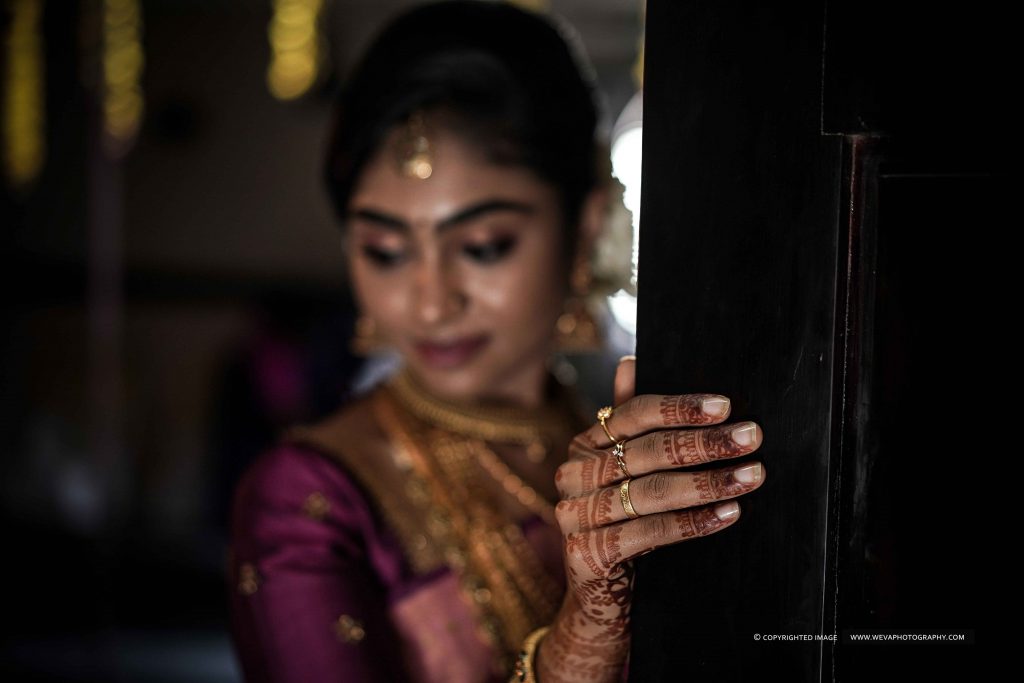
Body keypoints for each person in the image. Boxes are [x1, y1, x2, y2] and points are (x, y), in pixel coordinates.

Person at [227, 2, 765, 681]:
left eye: (483, 246)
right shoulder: (310, 499)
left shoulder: (613, 446)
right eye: (386, 250)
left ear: (584, 223)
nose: (430, 300)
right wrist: (577, 652)